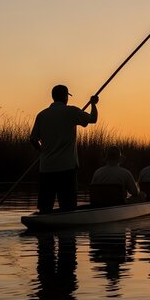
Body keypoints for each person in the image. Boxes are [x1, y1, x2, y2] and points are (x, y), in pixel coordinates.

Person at [30, 84, 98, 213]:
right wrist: (93, 104)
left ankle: (44, 229)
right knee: (68, 206)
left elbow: (33, 139)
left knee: (45, 207)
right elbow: (93, 119)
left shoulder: (42, 115)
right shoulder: (71, 111)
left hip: (46, 167)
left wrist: (42, 152)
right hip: (66, 168)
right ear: (65, 97)